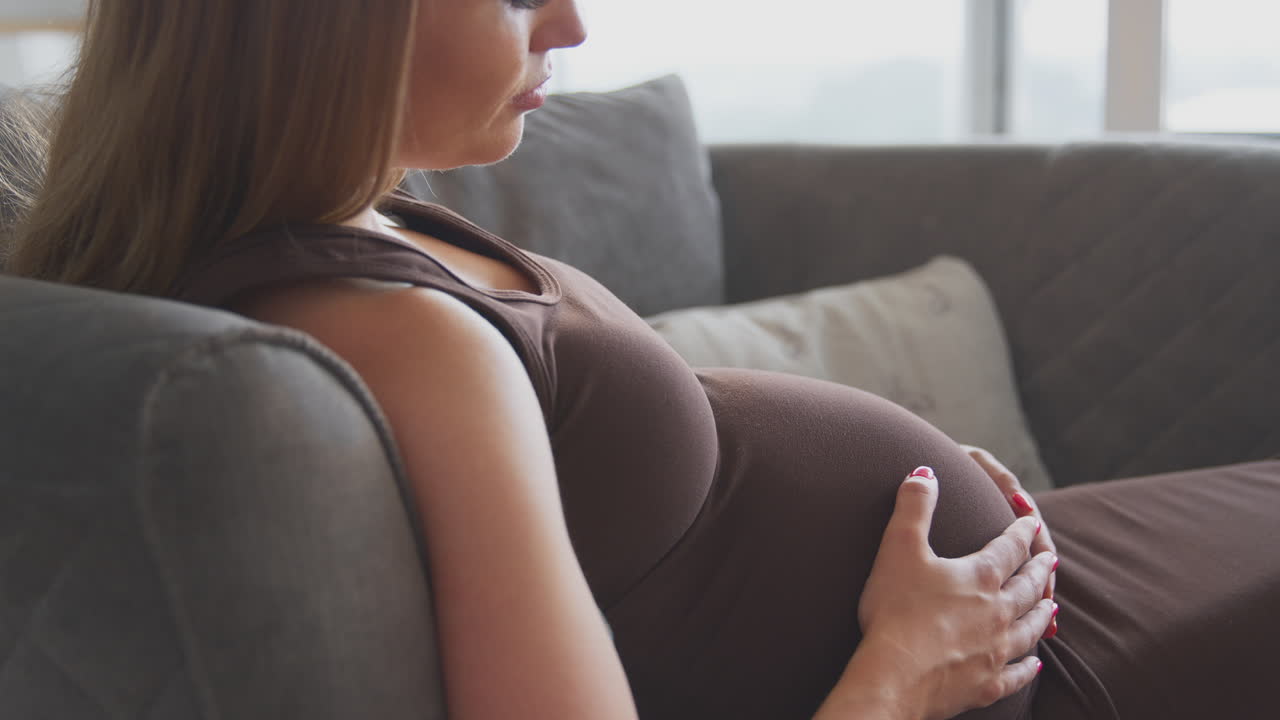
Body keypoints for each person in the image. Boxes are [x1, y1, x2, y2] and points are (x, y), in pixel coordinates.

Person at [3, 2, 1277, 719]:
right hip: (1019, 674)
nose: (571, 19)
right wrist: (902, 672)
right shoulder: (399, 338)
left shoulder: (346, 223)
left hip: (1016, 588)